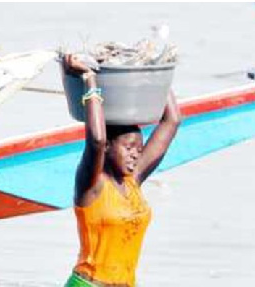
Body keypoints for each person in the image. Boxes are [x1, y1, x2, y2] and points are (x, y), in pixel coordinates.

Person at [62, 54, 181, 287]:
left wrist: (154, 71)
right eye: (128, 148)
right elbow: (95, 139)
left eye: (138, 148)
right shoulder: (92, 185)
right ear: (108, 147)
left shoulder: (132, 180)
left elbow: (172, 121)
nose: (136, 153)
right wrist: (89, 78)